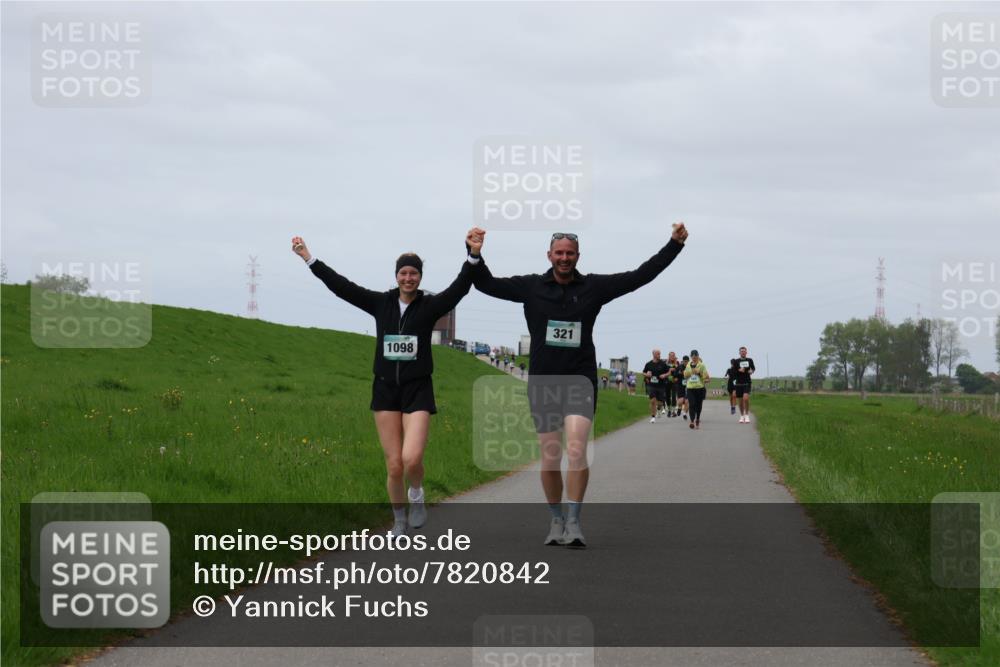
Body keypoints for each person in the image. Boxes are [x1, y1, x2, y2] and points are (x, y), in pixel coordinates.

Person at [467, 224, 689, 547]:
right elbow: (485, 284)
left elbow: (640, 276)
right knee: (550, 455)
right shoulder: (531, 287)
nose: (564, 258)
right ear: (549, 255)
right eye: (559, 253)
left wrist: (674, 245)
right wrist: (474, 253)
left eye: (570, 253)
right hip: (544, 381)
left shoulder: (593, 288)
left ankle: (574, 520)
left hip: (580, 380)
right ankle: (555, 519)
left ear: (578, 256)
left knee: (576, 448)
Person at [292, 232, 481, 538]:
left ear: (420, 277)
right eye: (404, 273)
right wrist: (308, 258)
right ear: (396, 276)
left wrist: (473, 255)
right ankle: (399, 522)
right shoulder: (380, 303)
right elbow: (342, 287)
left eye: (414, 273)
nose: (409, 278)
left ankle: (417, 494)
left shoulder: (430, 306)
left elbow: (460, 288)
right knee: (394, 465)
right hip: (385, 390)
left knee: (412, 459)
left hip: (418, 389)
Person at [684, 350, 710, 430]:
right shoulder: (688, 365)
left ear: (698, 356)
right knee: (692, 404)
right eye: (693, 356)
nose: (694, 358)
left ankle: (697, 418)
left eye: (696, 356)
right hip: (690, 388)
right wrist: (688, 373)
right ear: (691, 357)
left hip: (699, 388)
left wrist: (698, 373)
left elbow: (706, 378)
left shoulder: (702, 365)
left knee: (698, 405)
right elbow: (685, 375)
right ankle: (692, 421)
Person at [643, 349, 669, 423]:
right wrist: (647, 375)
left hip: (661, 385)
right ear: (653, 354)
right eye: (658, 354)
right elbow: (643, 372)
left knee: (660, 403)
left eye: (659, 354)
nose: (659, 355)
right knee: (652, 401)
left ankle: (659, 409)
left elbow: (669, 372)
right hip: (652, 385)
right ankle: (653, 417)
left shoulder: (663, 364)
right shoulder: (648, 364)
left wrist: (665, 375)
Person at [733, 346, 756, 423]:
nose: (743, 352)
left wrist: (751, 371)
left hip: (747, 382)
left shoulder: (750, 360)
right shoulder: (736, 361)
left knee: (745, 398)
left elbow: (753, 368)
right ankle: (742, 415)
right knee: (740, 401)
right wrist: (739, 370)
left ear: (746, 352)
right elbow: (733, 371)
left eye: (744, 351)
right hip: (739, 383)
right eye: (741, 351)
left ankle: (747, 415)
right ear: (739, 353)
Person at [664, 351, 680, 417]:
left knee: (673, 396)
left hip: (674, 381)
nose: (672, 357)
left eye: (673, 356)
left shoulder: (677, 363)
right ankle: (669, 410)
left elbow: (679, 371)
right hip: (667, 381)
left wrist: (677, 377)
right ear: (669, 356)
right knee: (667, 396)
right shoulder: (665, 363)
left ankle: (673, 411)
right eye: (670, 356)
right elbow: (663, 370)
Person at [675, 354, 689, 419]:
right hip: (680, 385)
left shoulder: (690, 367)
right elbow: (675, 375)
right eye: (684, 361)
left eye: (687, 361)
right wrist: (679, 374)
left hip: (689, 386)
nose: (685, 362)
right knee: (680, 400)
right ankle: (679, 408)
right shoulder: (679, 367)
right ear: (682, 361)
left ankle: (685, 413)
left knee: (687, 401)